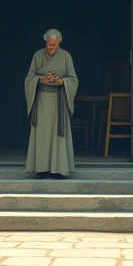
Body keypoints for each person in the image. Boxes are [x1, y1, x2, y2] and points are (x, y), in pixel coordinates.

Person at [24, 29, 79, 179]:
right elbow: (29, 78)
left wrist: (60, 81)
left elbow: (74, 80)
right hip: (42, 98)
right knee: (42, 133)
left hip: (58, 99)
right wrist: (42, 80)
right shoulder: (37, 55)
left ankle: (59, 169)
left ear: (59, 42)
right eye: (49, 45)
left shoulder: (66, 56)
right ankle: (41, 168)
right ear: (45, 42)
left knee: (58, 135)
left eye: (54, 45)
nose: (51, 48)